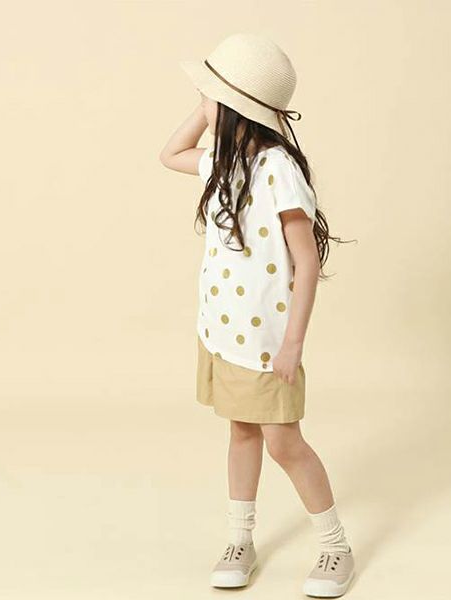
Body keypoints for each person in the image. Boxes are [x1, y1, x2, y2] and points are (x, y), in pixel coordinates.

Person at [160, 33, 356, 598]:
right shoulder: (223, 163)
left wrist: (293, 343)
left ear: (234, 106)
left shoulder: (277, 169)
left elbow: (306, 262)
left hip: (268, 341)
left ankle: (335, 545)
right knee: (242, 431)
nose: (202, 103)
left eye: (210, 95)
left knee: (284, 443)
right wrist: (207, 106)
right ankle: (239, 538)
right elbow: (169, 154)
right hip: (222, 330)